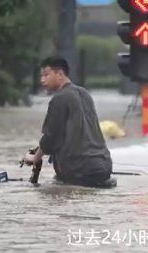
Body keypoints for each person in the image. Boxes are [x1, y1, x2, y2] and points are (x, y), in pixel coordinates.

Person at [22, 56, 114, 187]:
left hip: (79, 170)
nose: (42, 80)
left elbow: (50, 138)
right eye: (41, 76)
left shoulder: (59, 98)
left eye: (46, 75)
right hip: (104, 166)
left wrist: (33, 158)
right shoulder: (85, 93)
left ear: (60, 74)